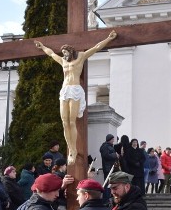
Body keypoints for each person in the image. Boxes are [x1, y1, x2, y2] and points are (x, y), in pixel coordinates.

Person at [35, 30, 117, 164]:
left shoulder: (80, 57)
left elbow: (96, 48)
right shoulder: (63, 61)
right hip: (65, 90)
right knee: (64, 121)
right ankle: (70, 148)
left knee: (72, 121)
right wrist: (42, 47)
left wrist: (109, 38)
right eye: (63, 54)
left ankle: (73, 150)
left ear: (71, 51)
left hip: (75, 89)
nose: (65, 55)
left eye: (66, 53)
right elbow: (51, 53)